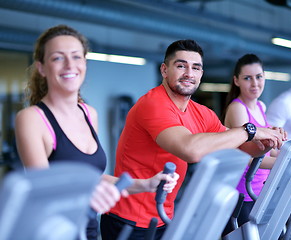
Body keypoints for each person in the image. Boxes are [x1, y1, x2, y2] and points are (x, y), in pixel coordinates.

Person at [100, 39, 286, 240]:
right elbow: (190, 149)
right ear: (164, 70)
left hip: (163, 215)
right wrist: (250, 130)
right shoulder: (153, 104)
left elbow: (238, 148)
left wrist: (261, 145)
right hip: (128, 218)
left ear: (201, 74)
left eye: (195, 68)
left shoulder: (201, 113)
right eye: (181, 66)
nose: (189, 73)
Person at [14, 24, 179, 240]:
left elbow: (93, 179)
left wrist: (146, 184)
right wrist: (87, 196)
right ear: (42, 68)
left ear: (84, 63)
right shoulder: (32, 119)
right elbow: (43, 194)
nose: (69, 64)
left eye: (76, 57)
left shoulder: (88, 113)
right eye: (57, 58)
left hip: (90, 232)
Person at [221, 54, 280, 234]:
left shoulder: (261, 106)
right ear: (236, 81)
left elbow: (269, 150)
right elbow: (248, 156)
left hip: (258, 190)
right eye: (247, 78)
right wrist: (284, 163)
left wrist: (290, 154)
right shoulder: (237, 108)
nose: (255, 83)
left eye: (259, 77)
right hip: (242, 194)